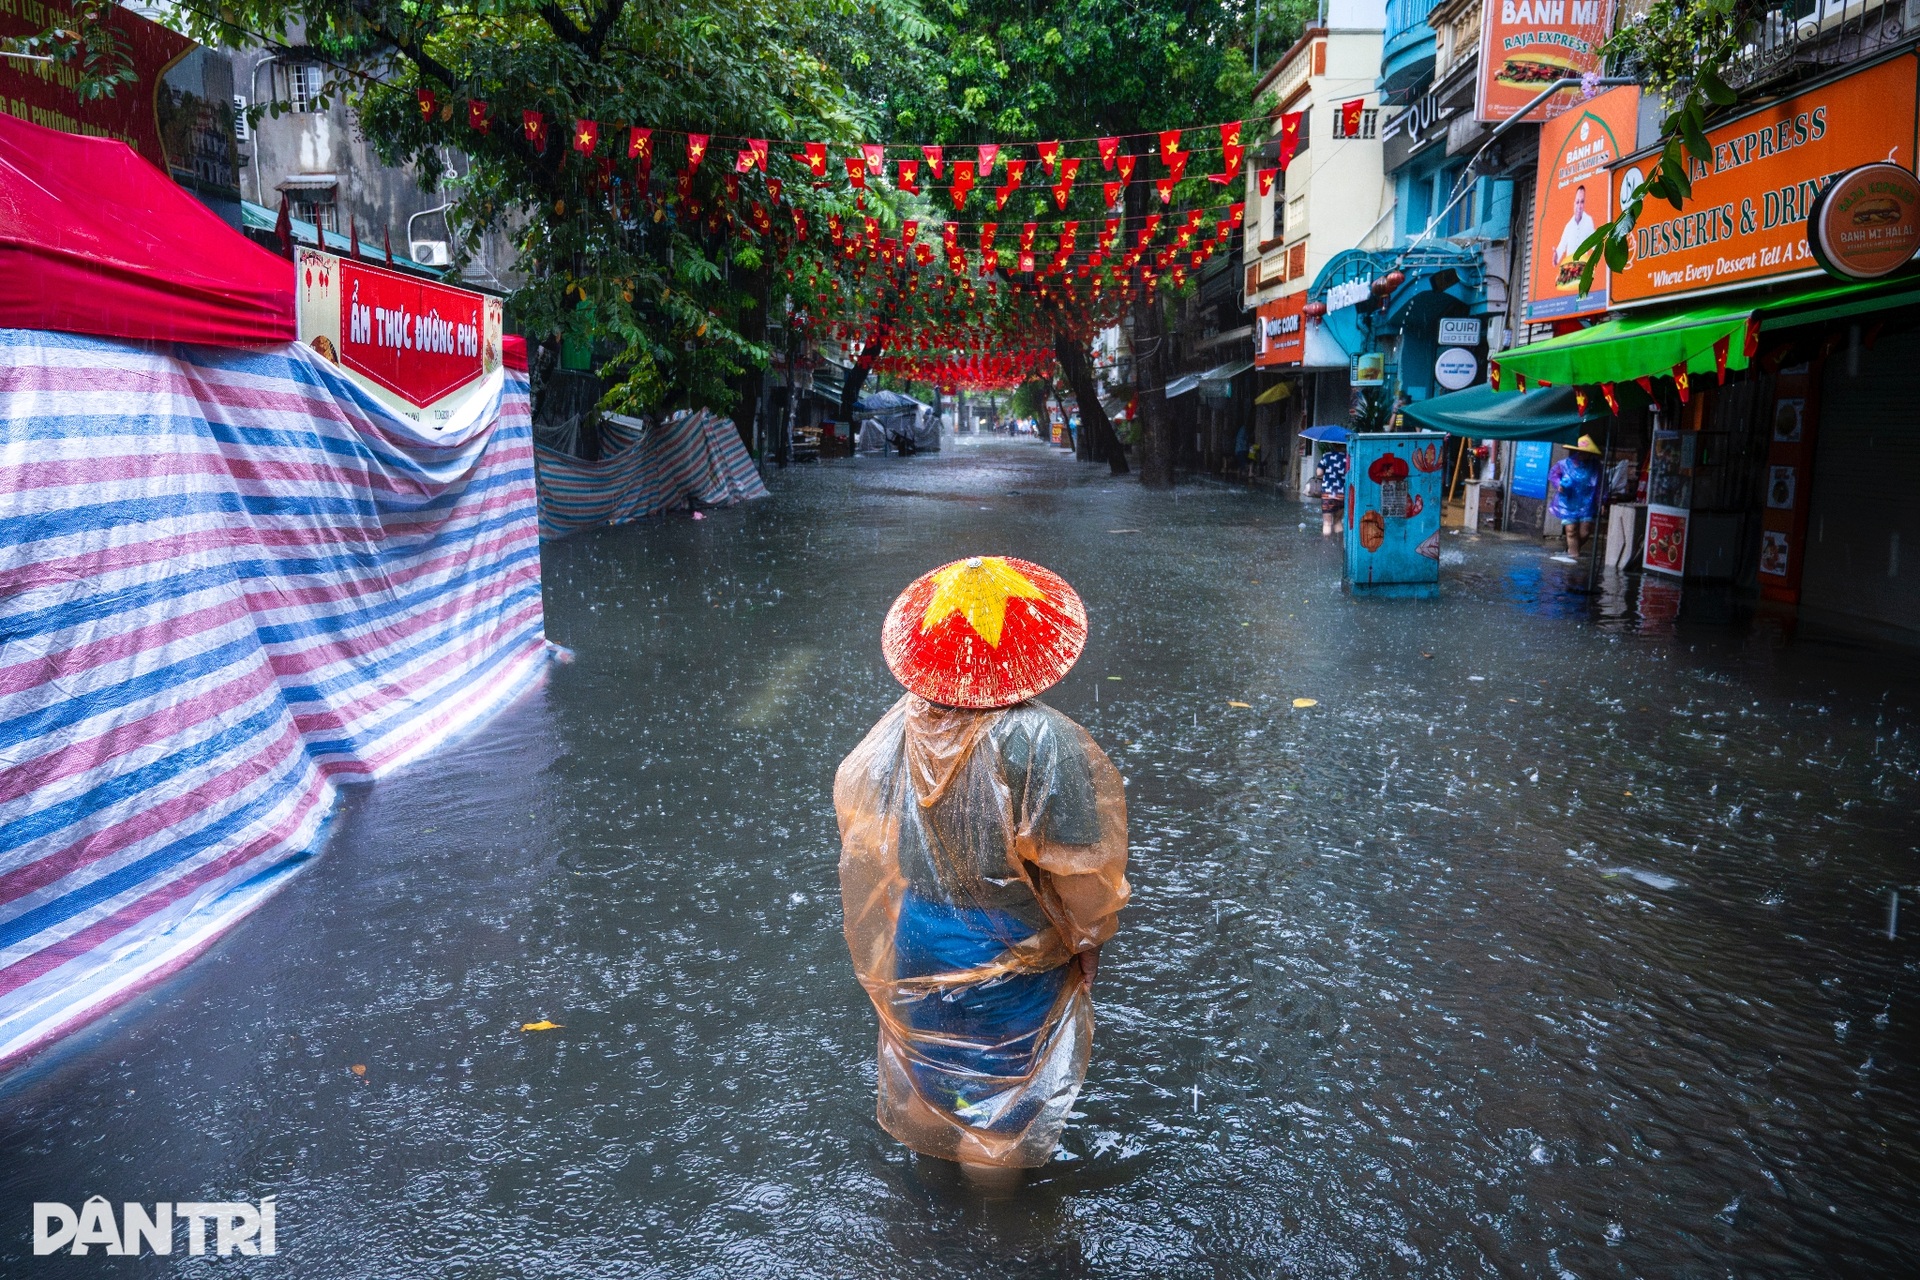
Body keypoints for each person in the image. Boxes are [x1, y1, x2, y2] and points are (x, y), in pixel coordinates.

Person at [834, 555, 1130, 1173]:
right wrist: (1088, 941)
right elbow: (1077, 867)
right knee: (1001, 1114)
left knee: (932, 1076)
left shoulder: (907, 722)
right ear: (1036, 644)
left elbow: (869, 816)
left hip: (920, 929)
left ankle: (921, 1224)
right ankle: (995, 1240)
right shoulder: (1042, 739)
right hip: (1009, 940)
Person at [1548, 434, 1605, 561]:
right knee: (1571, 530)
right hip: (1568, 501)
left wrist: (1601, 501)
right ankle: (1574, 556)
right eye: (1579, 452)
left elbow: (1600, 485)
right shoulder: (1564, 464)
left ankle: (1572, 550)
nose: (1582, 455)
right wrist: (1559, 485)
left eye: (1585, 452)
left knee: (1585, 531)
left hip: (1587, 502)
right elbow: (1554, 475)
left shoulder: (1596, 466)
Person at [1554, 184, 1597, 267]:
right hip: (1569, 268)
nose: (1579, 206)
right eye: (1577, 202)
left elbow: (1594, 243)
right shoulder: (1569, 226)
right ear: (1574, 204)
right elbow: (1561, 246)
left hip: (1582, 268)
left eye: (1582, 202)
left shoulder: (1588, 221)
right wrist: (1556, 257)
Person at [1316, 442, 1349, 536]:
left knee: (1327, 523)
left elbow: (1319, 473)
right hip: (1341, 494)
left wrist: (1327, 476)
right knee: (1338, 522)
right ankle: (1339, 543)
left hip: (1327, 493)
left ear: (1333, 444)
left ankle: (1326, 546)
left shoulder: (1327, 456)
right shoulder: (1348, 458)